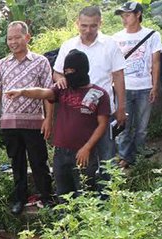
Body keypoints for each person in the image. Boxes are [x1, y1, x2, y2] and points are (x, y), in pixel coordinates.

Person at [6, 49, 110, 200]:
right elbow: (43, 93)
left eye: (72, 71)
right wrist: (22, 91)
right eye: (66, 71)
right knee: (63, 196)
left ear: (82, 70)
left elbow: (102, 125)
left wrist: (87, 148)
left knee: (86, 195)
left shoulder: (100, 94)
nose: (68, 74)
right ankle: (64, 223)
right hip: (61, 153)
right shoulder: (62, 89)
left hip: (84, 154)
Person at [0, 21, 54, 214]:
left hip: (34, 123)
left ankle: (46, 197)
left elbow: (49, 93)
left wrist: (48, 119)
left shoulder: (41, 62)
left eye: (17, 37)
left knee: (39, 161)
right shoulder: (2, 64)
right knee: (17, 162)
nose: (13, 42)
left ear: (27, 37)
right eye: (9, 38)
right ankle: (20, 199)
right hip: (10, 123)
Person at [53, 6, 127, 169]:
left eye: (93, 25)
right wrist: (60, 80)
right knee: (78, 161)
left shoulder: (110, 44)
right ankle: (82, 193)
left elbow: (118, 76)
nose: (88, 30)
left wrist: (121, 107)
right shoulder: (68, 45)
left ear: (100, 23)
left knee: (106, 158)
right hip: (75, 113)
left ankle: (107, 194)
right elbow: (57, 73)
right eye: (84, 25)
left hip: (102, 112)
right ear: (77, 23)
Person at [113, 2, 162, 168]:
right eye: (122, 16)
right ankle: (125, 157)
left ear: (138, 14)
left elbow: (156, 63)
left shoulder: (152, 35)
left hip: (144, 87)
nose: (124, 19)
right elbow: (112, 64)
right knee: (123, 125)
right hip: (123, 88)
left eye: (127, 15)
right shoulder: (116, 38)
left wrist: (155, 86)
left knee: (142, 127)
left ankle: (139, 156)